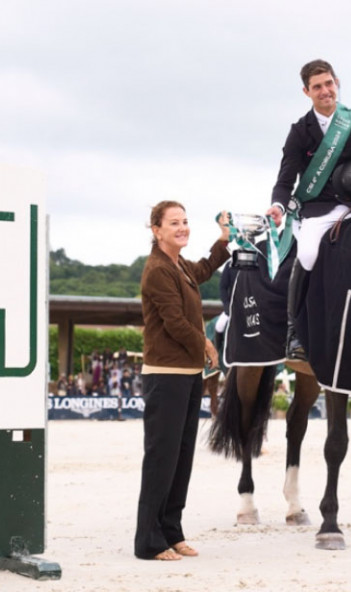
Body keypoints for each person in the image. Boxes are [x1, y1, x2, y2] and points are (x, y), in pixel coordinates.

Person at [266, 59, 351, 359]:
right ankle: (295, 332)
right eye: (317, 87)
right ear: (306, 92)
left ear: (337, 82)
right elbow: (285, 180)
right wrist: (277, 206)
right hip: (318, 210)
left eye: (329, 83)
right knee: (308, 253)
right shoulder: (300, 131)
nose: (325, 91)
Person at [135, 201, 230, 561]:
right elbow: (174, 322)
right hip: (166, 375)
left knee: (181, 458)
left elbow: (204, 269)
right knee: (161, 458)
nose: (183, 227)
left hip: (188, 375)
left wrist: (222, 241)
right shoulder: (158, 270)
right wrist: (206, 343)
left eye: (186, 221)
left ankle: (171, 531)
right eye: (174, 223)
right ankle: (148, 540)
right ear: (156, 230)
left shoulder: (178, 266)